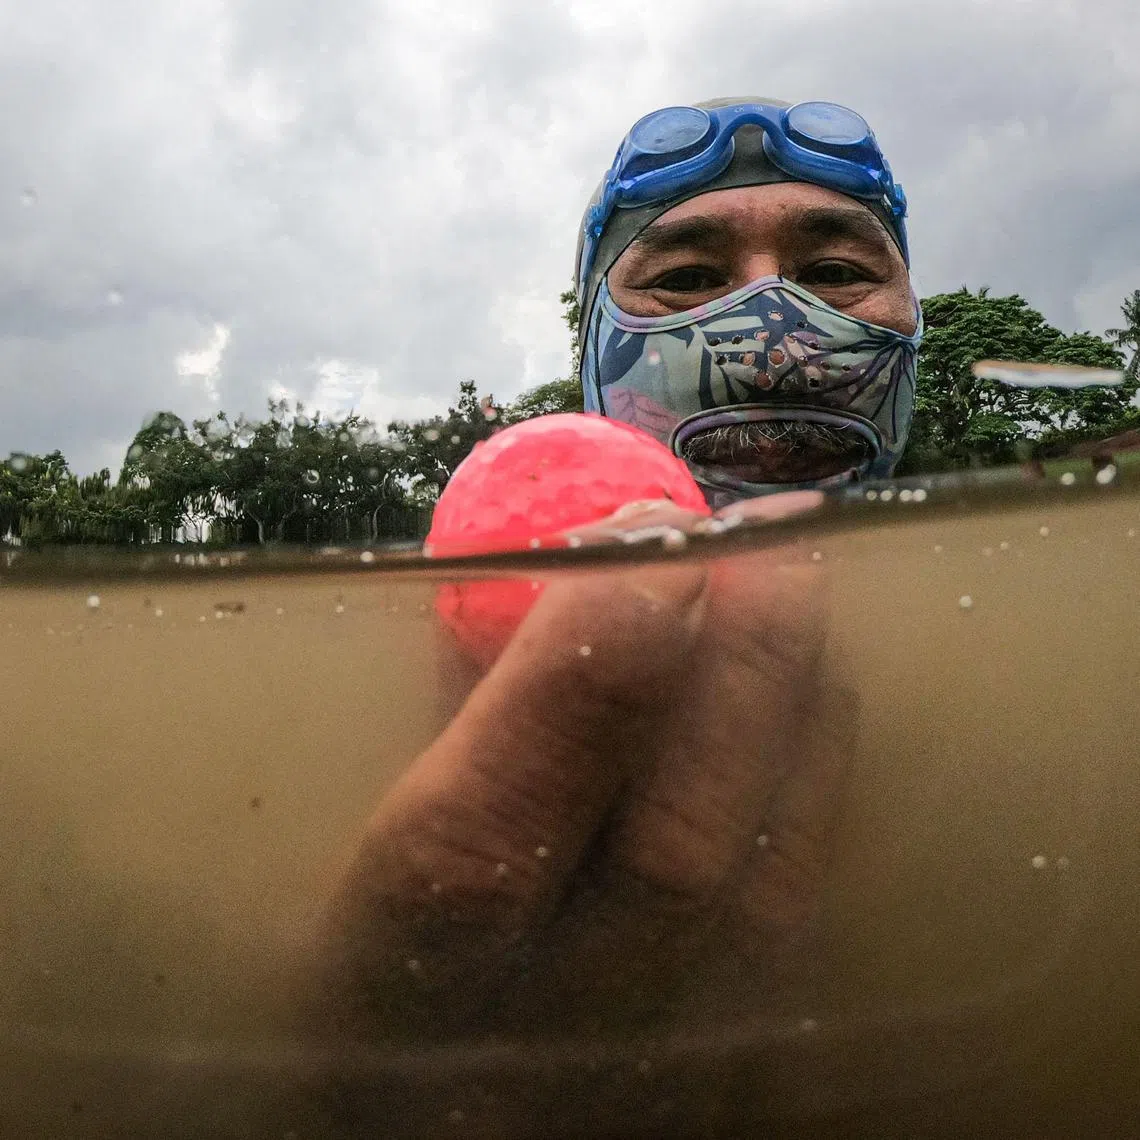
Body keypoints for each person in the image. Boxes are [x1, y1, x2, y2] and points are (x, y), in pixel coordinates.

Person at [296, 97, 921, 1134]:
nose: (774, 326)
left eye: (838, 272)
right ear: (589, 351)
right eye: (684, 278)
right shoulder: (372, 711)